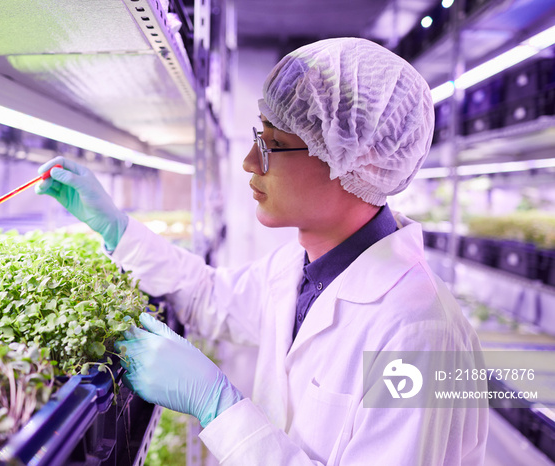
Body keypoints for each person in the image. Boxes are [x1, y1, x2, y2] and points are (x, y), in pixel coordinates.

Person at [36, 38, 488, 465]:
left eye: (271, 144)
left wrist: (218, 406)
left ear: (349, 158)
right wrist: (115, 228)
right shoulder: (303, 267)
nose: (251, 162)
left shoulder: (420, 336)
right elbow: (209, 296)